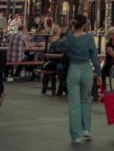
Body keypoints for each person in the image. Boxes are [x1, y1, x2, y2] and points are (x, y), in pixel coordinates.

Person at [54, 14, 101, 143]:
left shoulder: (69, 38)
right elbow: (95, 59)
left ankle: (76, 135)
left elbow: (56, 45)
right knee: (86, 99)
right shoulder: (90, 38)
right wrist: (99, 73)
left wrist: (67, 34)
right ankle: (86, 129)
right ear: (85, 24)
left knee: (74, 103)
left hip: (74, 69)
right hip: (86, 69)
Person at [42, 25, 68, 95]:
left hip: (61, 61)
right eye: (57, 29)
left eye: (59, 29)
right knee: (60, 68)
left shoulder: (63, 40)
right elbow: (49, 53)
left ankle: (64, 85)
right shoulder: (52, 39)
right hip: (54, 61)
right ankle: (63, 85)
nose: (58, 31)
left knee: (65, 67)